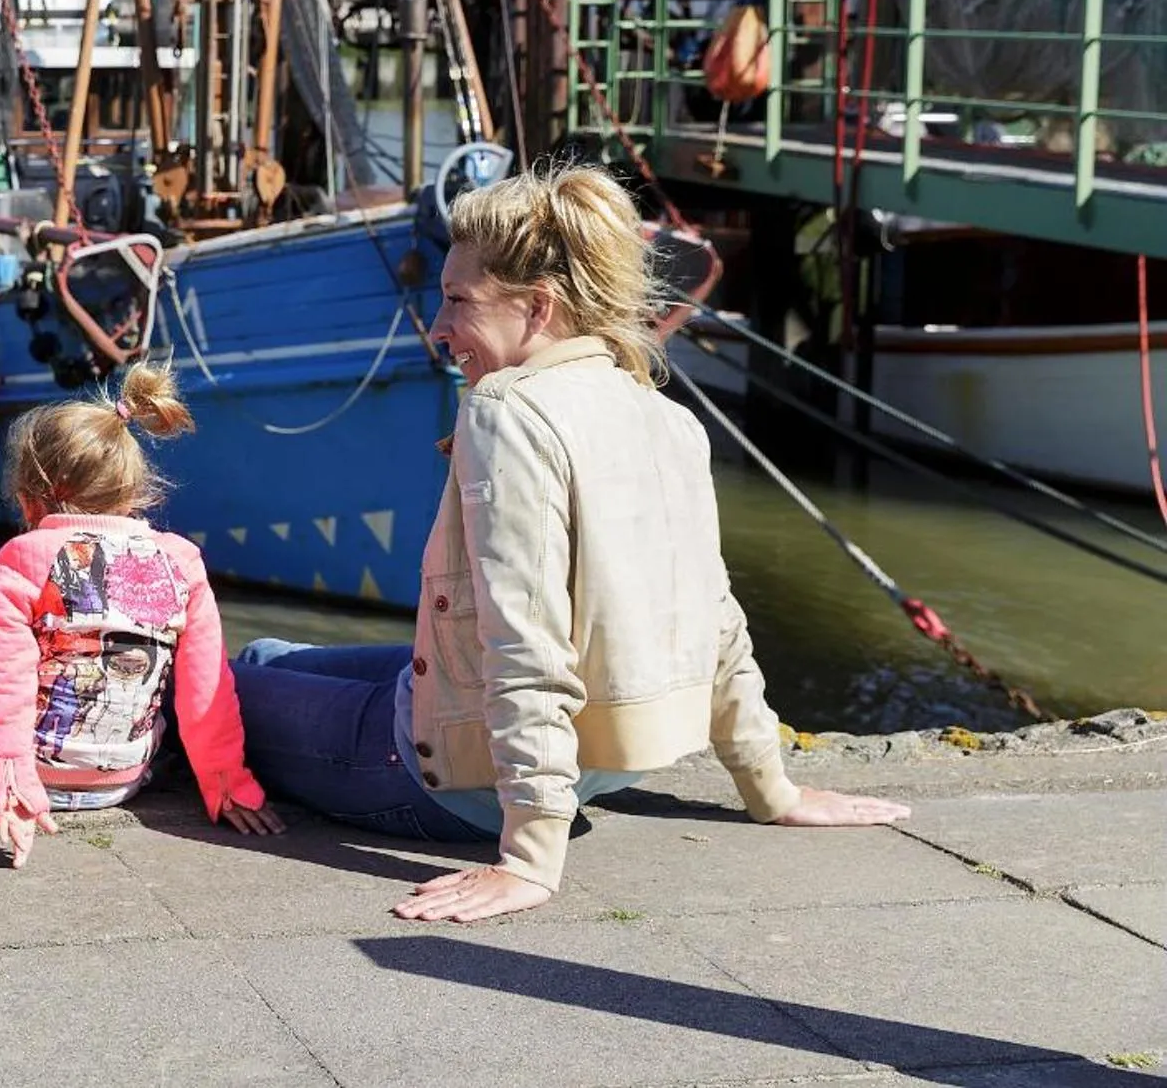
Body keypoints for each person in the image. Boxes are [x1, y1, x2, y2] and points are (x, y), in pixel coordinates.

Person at [231, 164, 910, 924]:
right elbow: (716, 616)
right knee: (261, 657)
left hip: (450, 780)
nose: (438, 327)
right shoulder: (667, 417)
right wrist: (770, 788)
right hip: (591, 766)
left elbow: (525, 636)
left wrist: (530, 855)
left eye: (457, 300)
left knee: (213, 691)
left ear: (538, 307)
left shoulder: (507, 412)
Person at [0, 363, 283, 868]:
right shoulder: (180, 560)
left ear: (33, 498)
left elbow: (2, 684)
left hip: (38, 782)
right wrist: (227, 782)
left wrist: (11, 784)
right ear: (134, 489)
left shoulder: (24, 555)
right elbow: (207, 691)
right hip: (123, 781)